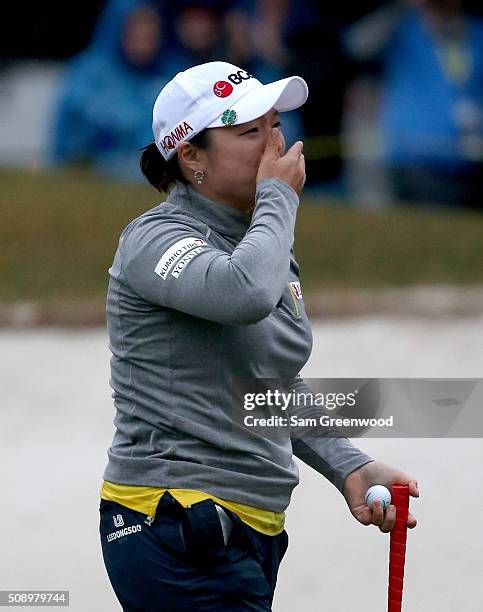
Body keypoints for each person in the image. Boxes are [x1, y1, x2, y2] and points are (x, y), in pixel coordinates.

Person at [99, 60, 419, 611]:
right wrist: (279, 199)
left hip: (247, 535)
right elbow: (241, 293)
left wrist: (349, 464)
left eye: (274, 125)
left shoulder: (262, 241)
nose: (273, 144)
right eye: (249, 131)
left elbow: (265, 388)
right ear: (191, 157)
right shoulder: (152, 239)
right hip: (170, 525)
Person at [343, 0, 483, 208]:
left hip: (468, 161)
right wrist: (403, 5)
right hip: (412, 160)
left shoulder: (476, 33)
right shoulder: (402, 27)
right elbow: (356, 46)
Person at [48, 0, 174, 181]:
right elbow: (70, 150)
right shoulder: (87, 76)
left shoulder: (173, 74)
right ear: (118, 27)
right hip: (95, 184)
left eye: (150, 25)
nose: (144, 34)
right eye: (136, 25)